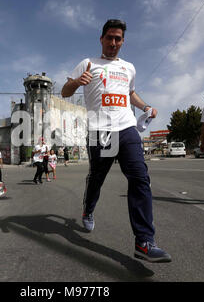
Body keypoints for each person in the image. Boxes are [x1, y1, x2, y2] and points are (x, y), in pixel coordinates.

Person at [61, 19, 171, 263]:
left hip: (127, 128)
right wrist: (76, 82)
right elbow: (65, 92)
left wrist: (145, 105)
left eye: (118, 38)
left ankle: (144, 241)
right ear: (101, 39)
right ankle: (88, 208)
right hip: (99, 131)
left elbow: (130, 93)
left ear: (122, 42)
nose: (113, 42)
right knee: (97, 178)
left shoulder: (128, 68)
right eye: (109, 37)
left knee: (140, 177)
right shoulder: (88, 63)